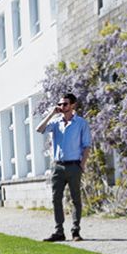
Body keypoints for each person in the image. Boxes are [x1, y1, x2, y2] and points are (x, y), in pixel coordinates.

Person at [36, 93, 92, 242]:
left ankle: (75, 231)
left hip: (74, 166)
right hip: (58, 167)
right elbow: (39, 129)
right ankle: (59, 231)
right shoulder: (56, 122)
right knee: (56, 199)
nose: (62, 107)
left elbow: (87, 146)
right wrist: (51, 114)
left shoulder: (81, 123)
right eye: (60, 104)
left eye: (65, 104)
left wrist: (82, 165)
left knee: (75, 199)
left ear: (73, 105)